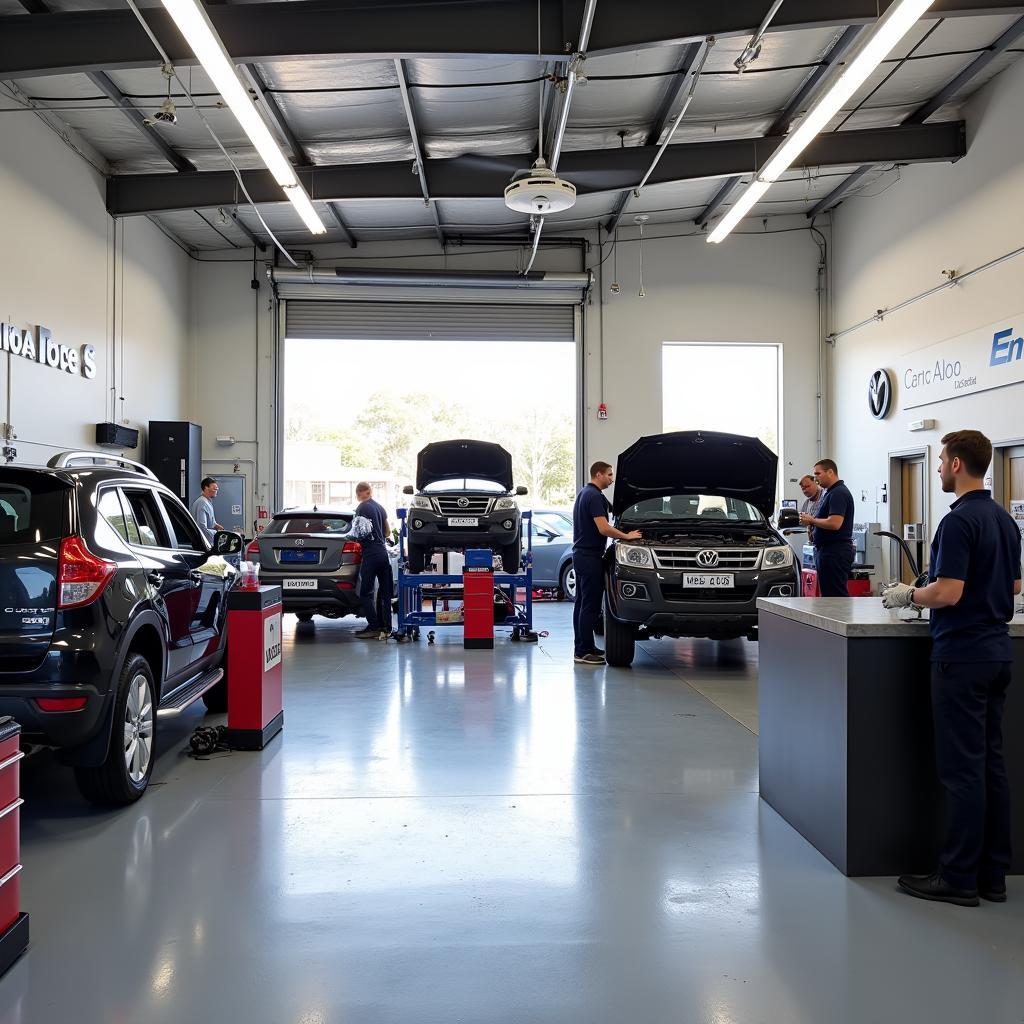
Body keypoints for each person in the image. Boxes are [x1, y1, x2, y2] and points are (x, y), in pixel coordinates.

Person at [883, 430, 1022, 907]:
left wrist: (908, 595)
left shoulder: (958, 522)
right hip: (998, 652)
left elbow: (948, 592)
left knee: (962, 771)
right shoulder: (1004, 519)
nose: (939, 467)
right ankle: (993, 875)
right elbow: (1016, 583)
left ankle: (958, 877)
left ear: (958, 464)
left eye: (942, 460)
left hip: (961, 656)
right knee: (991, 768)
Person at [571, 461, 641, 665]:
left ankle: (584, 646)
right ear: (598, 474)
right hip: (589, 556)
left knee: (582, 604)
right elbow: (603, 528)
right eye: (609, 475)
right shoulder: (593, 496)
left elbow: (613, 511)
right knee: (590, 606)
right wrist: (626, 537)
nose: (612, 479)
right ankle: (583, 652)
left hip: (582, 555)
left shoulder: (588, 493)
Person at [799, 459, 855, 597]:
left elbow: (835, 523)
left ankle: (840, 619)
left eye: (818, 474)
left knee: (835, 596)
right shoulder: (830, 493)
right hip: (827, 551)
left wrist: (812, 520)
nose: (816, 478)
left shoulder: (838, 493)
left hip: (835, 552)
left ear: (830, 472)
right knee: (829, 595)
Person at [352, 482, 394, 641]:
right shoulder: (380, 508)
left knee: (365, 593)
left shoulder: (362, 507)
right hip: (383, 554)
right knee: (385, 593)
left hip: (370, 554)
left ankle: (374, 627)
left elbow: (359, 532)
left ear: (360, 493)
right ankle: (387, 627)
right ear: (370, 491)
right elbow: (388, 531)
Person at [191, 477, 223, 546]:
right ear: (206, 488)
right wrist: (217, 534)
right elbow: (202, 527)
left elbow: (210, 521)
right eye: (214, 489)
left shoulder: (207, 502)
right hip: (203, 544)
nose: (217, 490)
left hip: (205, 542)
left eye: (217, 489)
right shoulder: (202, 503)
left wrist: (216, 525)